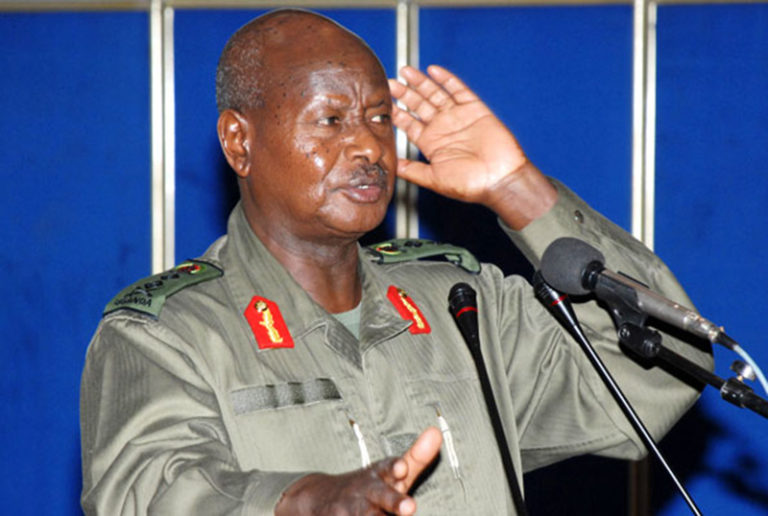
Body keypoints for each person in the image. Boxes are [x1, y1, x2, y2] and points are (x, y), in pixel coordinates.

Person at [80, 8, 713, 515]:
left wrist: (517, 189)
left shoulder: (462, 307)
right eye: (331, 119)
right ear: (239, 141)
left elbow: (664, 371)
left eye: (380, 118)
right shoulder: (167, 335)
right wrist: (305, 501)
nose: (367, 145)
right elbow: (146, 493)